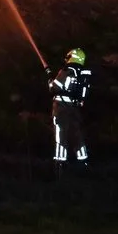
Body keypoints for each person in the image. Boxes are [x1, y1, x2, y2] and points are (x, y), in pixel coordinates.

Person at [45, 48, 91, 176]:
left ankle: (60, 165)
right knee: (77, 135)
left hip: (61, 107)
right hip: (74, 108)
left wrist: (50, 79)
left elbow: (53, 88)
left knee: (60, 135)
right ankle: (84, 163)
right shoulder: (82, 73)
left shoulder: (66, 71)